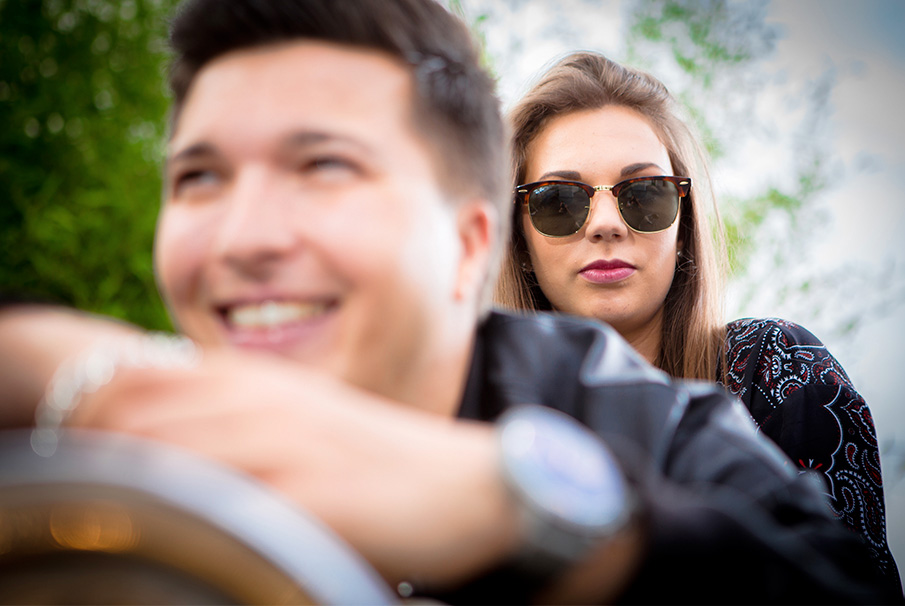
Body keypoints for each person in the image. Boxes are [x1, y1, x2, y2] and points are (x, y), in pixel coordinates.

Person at [0, 1, 898, 603]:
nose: (244, 236)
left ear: (466, 243)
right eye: (198, 177)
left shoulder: (689, 420)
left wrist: (518, 509)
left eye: (324, 166)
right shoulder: (103, 418)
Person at [495, 49, 901, 590]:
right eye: (559, 201)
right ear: (518, 238)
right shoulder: (468, 422)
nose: (606, 224)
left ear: (683, 224)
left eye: (644, 195)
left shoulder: (777, 371)